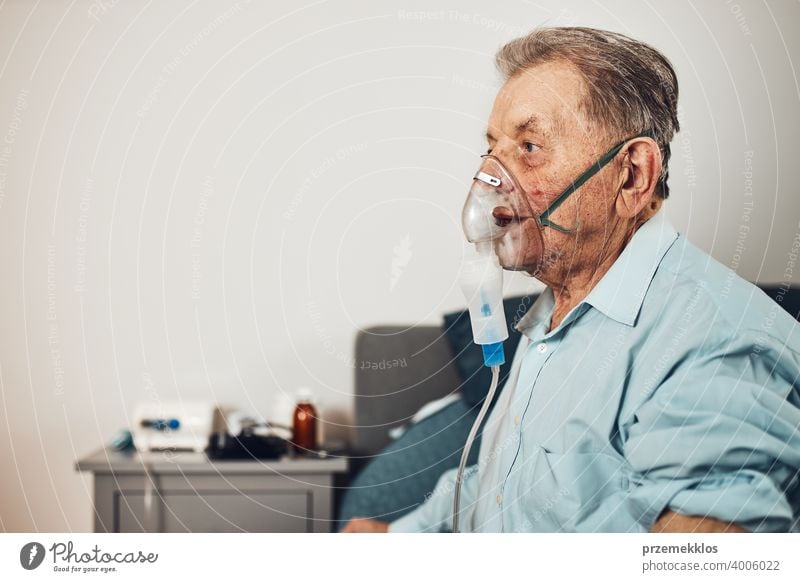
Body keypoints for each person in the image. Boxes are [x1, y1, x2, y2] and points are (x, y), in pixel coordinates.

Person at [342, 27, 800, 533]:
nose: (491, 187)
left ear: (631, 177)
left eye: (531, 147)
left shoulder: (713, 342)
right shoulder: (554, 320)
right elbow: (505, 486)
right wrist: (397, 539)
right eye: (493, 150)